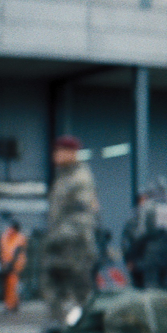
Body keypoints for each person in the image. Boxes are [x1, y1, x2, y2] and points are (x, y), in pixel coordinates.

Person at [43, 136, 100, 322]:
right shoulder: (63, 177)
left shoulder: (80, 179)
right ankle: (58, 331)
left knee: (82, 294)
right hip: (60, 248)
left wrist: (55, 238)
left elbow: (82, 217)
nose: (55, 155)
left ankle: (88, 330)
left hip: (75, 248)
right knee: (54, 292)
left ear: (72, 153)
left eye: (60, 151)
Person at [122, 179, 167, 290]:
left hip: (151, 252)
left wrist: (133, 255)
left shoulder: (148, 208)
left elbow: (141, 233)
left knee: (151, 285)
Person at [0, 216, 29, 313]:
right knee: (7, 286)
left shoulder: (20, 237)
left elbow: (17, 252)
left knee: (12, 284)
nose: (9, 230)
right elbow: (1, 250)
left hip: (15, 265)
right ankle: (12, 304)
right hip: (5, 264)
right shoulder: (5, 237)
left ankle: (11, 305)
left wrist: (11, 265)